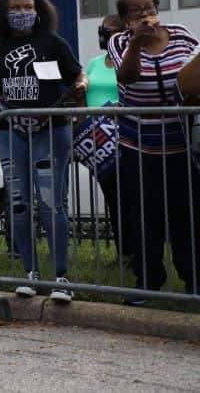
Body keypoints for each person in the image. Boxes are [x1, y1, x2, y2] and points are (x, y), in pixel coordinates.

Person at [0, 0, 85, 302]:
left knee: (52, 203)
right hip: (13, 133)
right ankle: (29, 272)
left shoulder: (53, 43)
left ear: (38, 11)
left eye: (28, 8)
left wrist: (81, 86)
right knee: (19, 204)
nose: (22, 13)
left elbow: (77, 74)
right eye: (15, 8)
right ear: (4, 13)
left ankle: (61, 276)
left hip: (51, 131)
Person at [109, 0, 200, 302]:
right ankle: (148, 280)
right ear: (125, 20)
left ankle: (193, 279)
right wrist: (136, 43)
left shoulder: (181, 35)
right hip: (139, 145)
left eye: (150, 8)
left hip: (180, 144)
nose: (146, 15)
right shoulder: (119, 41)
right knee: (144, 216)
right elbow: (127, 78)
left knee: (186, 216)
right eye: (137, 12)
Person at [84, 14, 129, 257]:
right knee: (112, 197)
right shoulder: (95, 63)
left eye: (109, 31)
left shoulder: (130, 61)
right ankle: (124, 251)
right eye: (102, 30)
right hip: (97, 142)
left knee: (130, 197)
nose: (103, 35)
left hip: (124, 137)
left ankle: (137, 251)